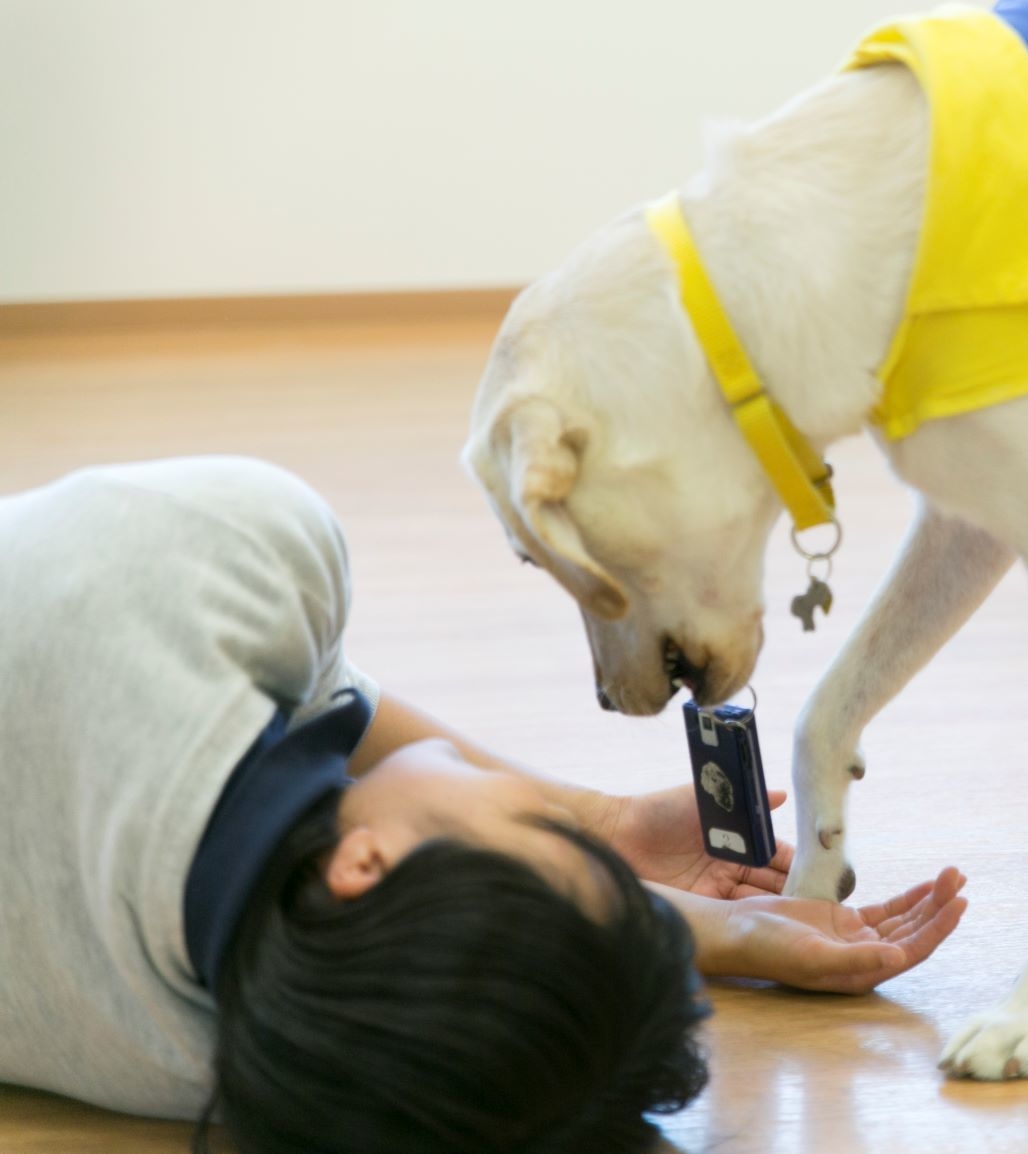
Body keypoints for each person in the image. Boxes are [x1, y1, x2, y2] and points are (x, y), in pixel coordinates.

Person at [0, 456, 968, 1154]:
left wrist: (597, 836)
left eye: (533, 826)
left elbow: (305, 684)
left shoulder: (223, 566)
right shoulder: (225, 1066)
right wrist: (653, 870)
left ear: (364, 864)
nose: (525, 796)